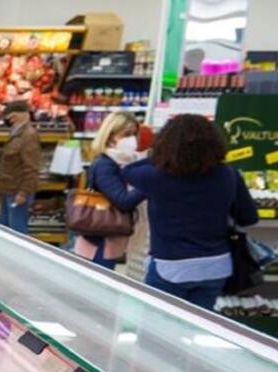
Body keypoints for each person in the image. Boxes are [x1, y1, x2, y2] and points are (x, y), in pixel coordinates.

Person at [123, 114, 260, 310]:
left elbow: (129, 170)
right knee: (197, 328)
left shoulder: (155, 176)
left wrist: (163, 155)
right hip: (215, 266)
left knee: (159, 326)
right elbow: (248, 218)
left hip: (170, 266)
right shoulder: (228, 174)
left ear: (166, 143)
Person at [74, 111, 147, 269]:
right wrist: (149, 183)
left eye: (134, 134)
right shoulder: (105, 165)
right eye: (126, 134)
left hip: (109, 238)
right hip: (98, 241)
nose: (131, 139)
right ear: (110, 135)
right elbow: (123, 201)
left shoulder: (126, 162)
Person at [0, 99, 41, 234]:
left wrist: (23, 192)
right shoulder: (17, 133)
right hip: (9, 189)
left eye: (13, 117)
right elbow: (7, 156)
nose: (11, 121)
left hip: (17, 191)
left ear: (23, 115)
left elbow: (32, 167)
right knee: (5, 229)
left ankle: (18, 255)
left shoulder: (29, 136)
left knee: (17, 231)